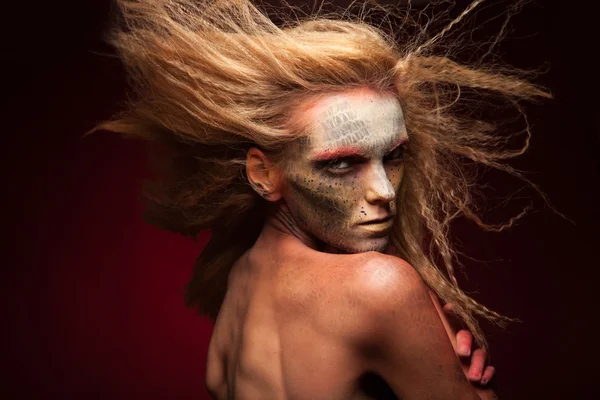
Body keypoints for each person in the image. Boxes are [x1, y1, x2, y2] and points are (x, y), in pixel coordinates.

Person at [91, 0, 549, 398]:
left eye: (393, 156)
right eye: (340, 164)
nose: (384, 192)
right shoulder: (378, 286)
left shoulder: (238, 288)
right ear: (263, 174)